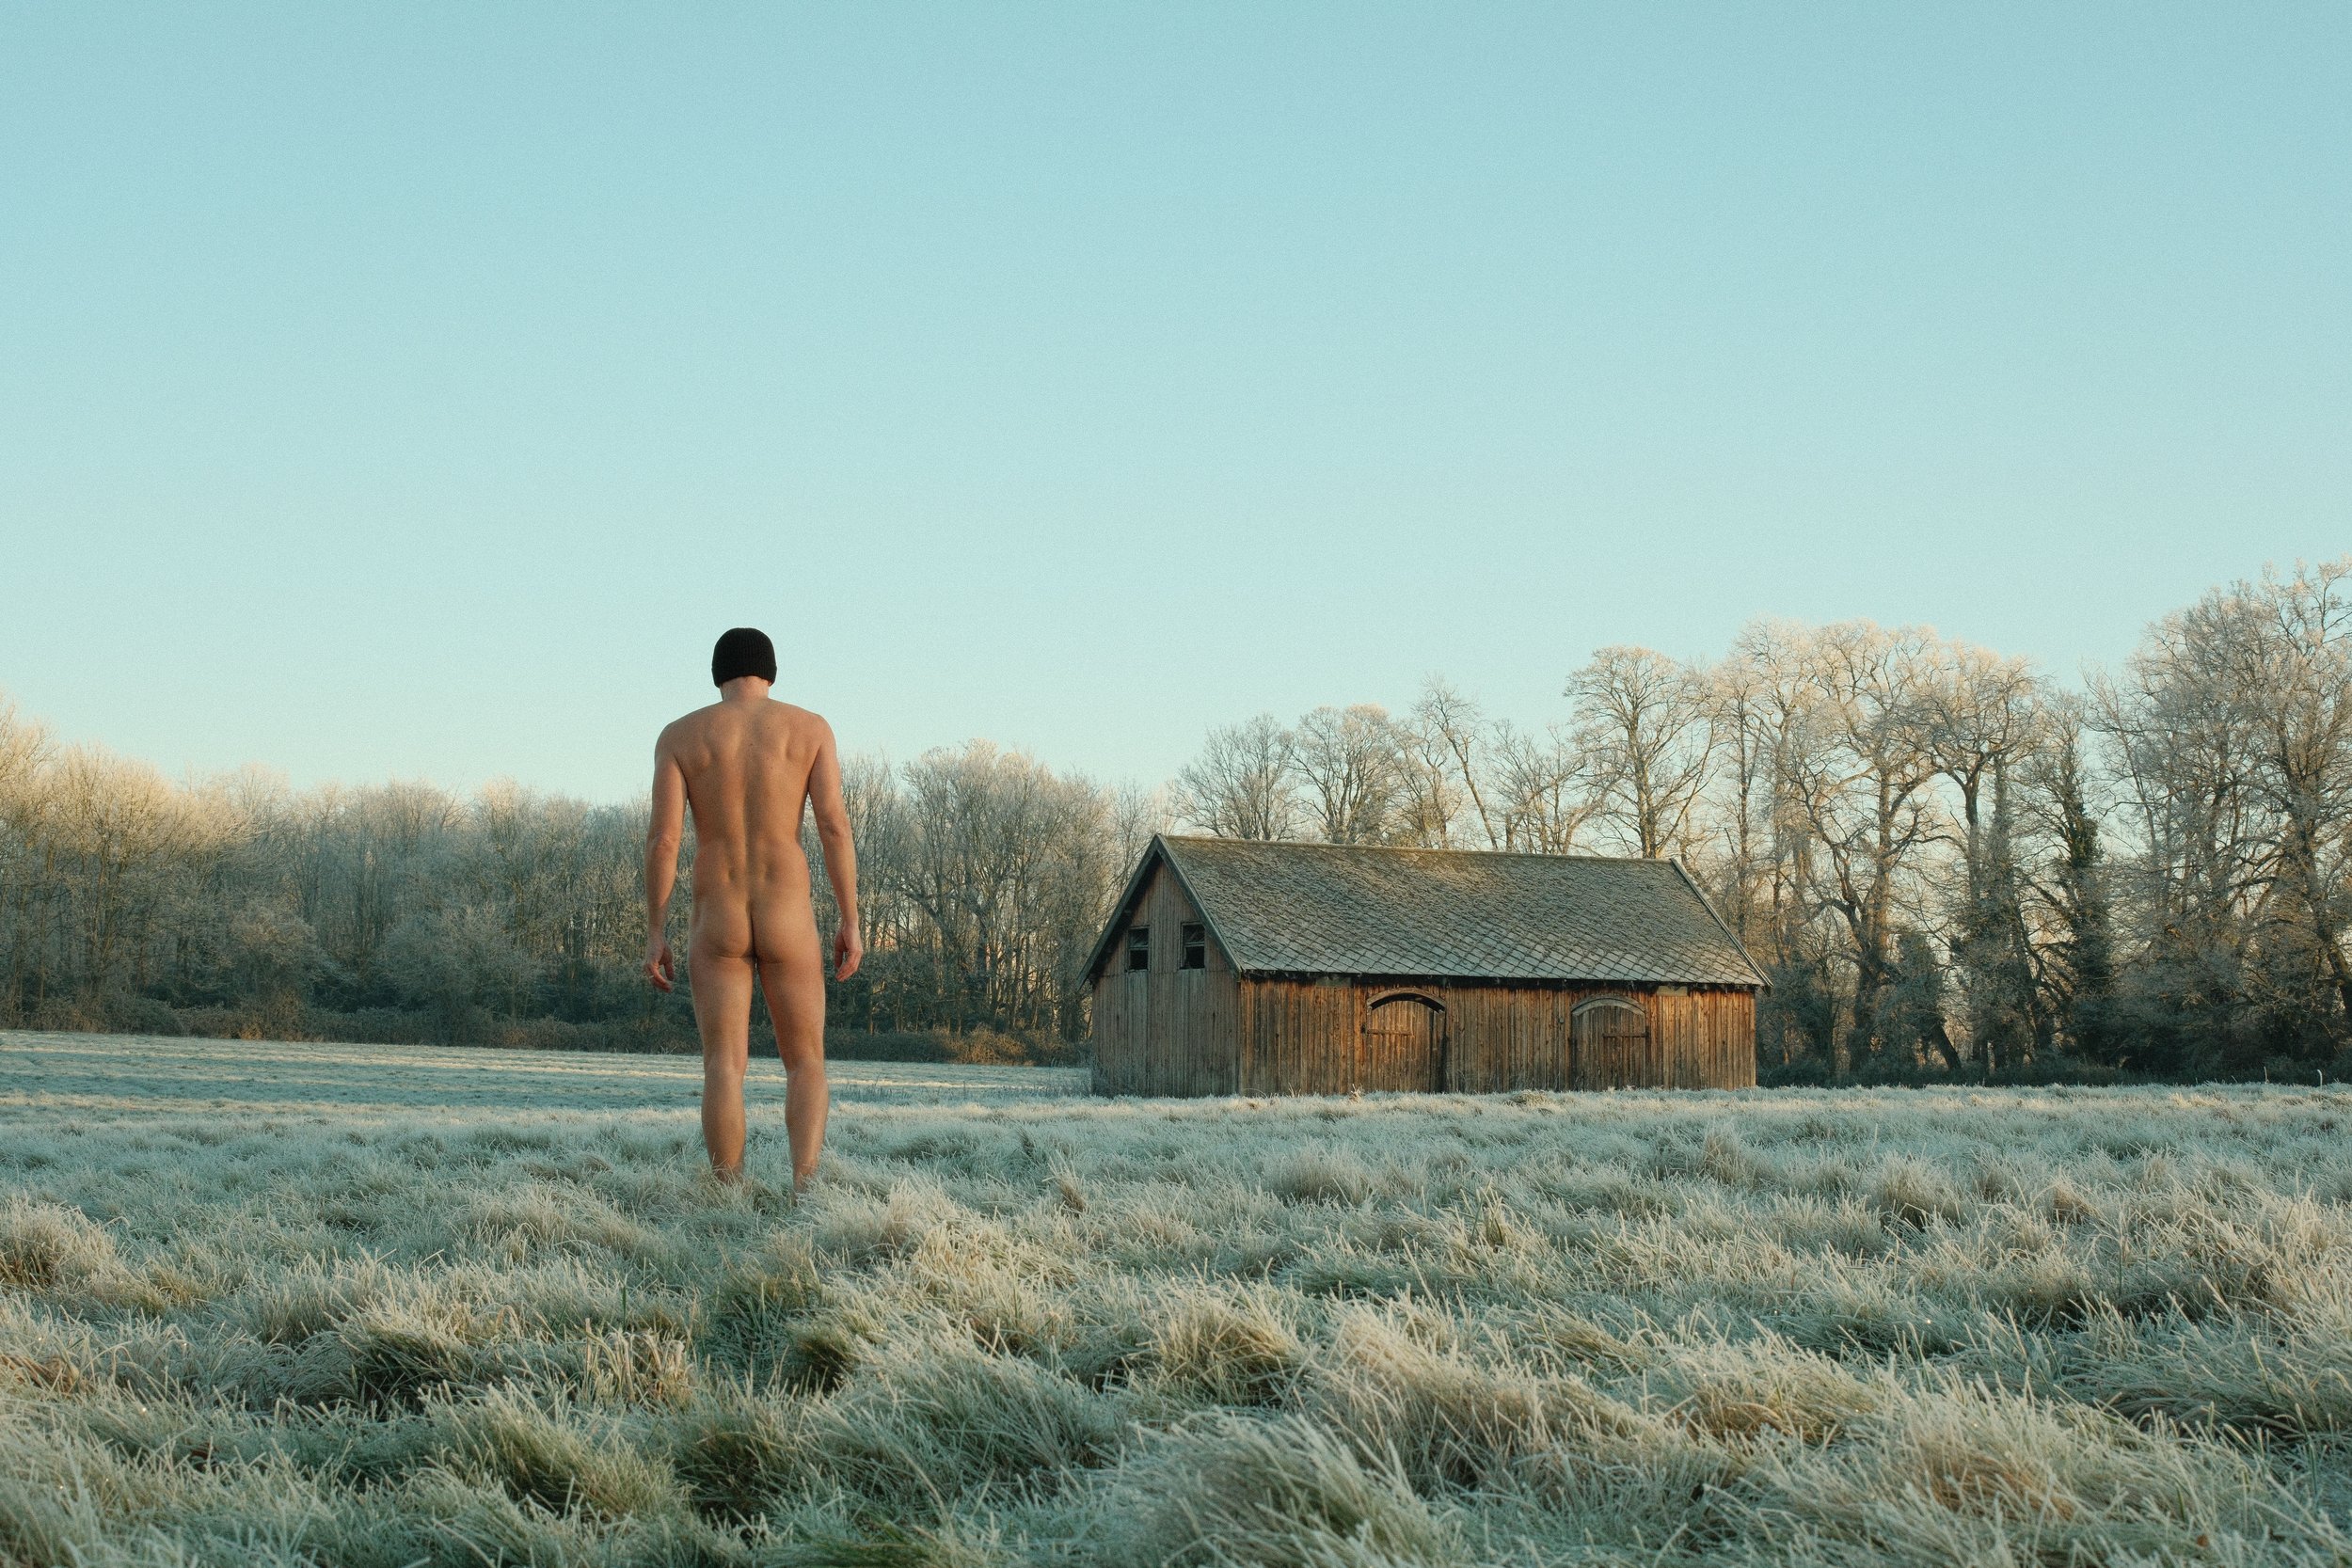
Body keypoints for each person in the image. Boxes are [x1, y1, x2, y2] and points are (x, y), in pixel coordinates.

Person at [643, 626, 861, 1191]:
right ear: (771, 672)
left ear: (717, 674)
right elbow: (834, 826)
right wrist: (850, 919)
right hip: (785, 907)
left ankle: (726, 1193)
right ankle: (806, 1187)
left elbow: (664, 840)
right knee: (806, 1062)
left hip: (718, 911)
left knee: (723, 1065)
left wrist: (655, 931)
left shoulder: (680, 736)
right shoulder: (810, 729)